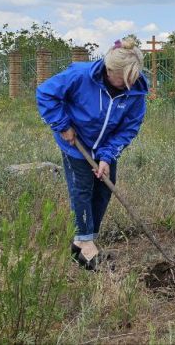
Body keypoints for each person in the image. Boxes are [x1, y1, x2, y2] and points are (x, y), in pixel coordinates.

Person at [36, 38, 148, 270]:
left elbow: (130, 127)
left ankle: (82, 240)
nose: (129, 84)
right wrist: (62, 125)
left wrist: (107, 156)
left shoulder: (136, 89)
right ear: (109, 70)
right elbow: (45, 94)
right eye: (124, 79)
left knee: (105, 187)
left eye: (133, 79)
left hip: (106, 144)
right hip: (76, 143)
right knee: (82, 189)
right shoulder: (80, 75)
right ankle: (86, 243)